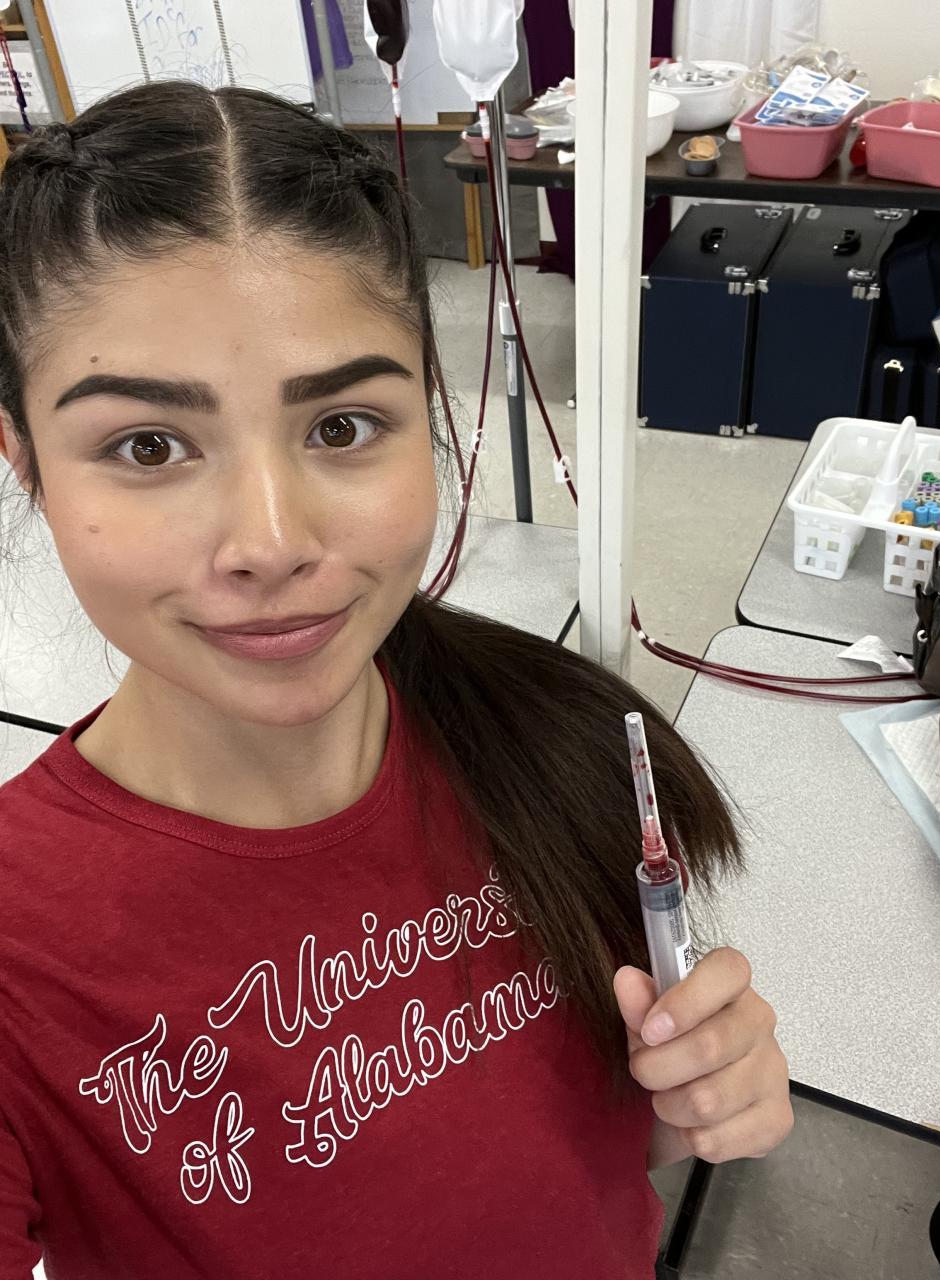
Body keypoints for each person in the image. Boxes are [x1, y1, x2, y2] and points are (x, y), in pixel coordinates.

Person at [0, 83, 792, 1279]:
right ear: (26, 462)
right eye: (147, 445)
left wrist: (692, 1102)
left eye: (341, 427)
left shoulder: (557, 749)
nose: (271, 542)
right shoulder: (23, 947)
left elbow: (588, 1159)